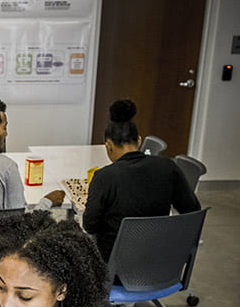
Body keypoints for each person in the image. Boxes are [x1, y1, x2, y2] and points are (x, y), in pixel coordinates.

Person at [83, 98, 201, 261]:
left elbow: (89, 225)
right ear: (139, 140)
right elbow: (192, 210)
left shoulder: (105, 176)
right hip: (159, 263)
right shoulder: (167, 166)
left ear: (108, 145)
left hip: (115, 269)